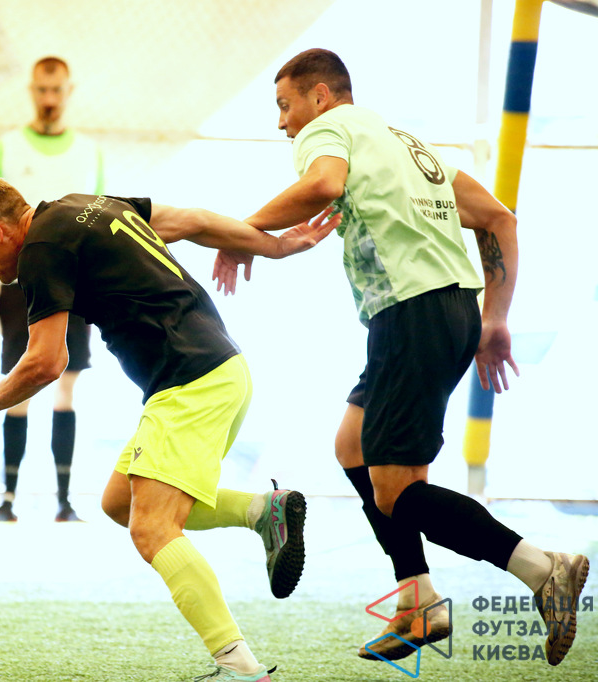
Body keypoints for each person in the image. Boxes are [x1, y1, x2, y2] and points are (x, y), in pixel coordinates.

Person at [213, 48, 589, 666]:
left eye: (285, 105)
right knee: (353, 446)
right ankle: (419, 600)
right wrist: (494, 317)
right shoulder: (408, 146)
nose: (282, 123)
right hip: (445, 313)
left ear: (320, 96)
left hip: (411, 315)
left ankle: (541, 567)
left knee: (396, 494)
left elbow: (324, 185)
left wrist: (244, 231)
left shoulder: (329, 129)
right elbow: (499, 219)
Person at [0, 178, 339, 680]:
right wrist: (273, 246)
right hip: (219, 371)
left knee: (152, 528)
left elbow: (46, 361)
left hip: (189, 382)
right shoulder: (90, 206)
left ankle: (240, 668)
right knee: (121, 502)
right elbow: (193, 221)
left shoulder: (41, 249)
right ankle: (262, 510)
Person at [0, 56, 103, 523]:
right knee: (18, 383)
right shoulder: (4, 150)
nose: (49, 98)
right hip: (17, 282)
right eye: (42, 90)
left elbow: (98, 221)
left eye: (57, 90)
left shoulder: (88, 152)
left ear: (69, 91)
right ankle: (7, 500)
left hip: (77, 283)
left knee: (66, 386)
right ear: (32, 90)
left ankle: (64, 502)